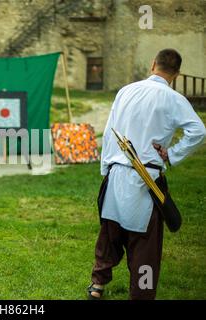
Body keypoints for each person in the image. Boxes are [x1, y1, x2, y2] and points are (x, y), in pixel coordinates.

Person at [88, 48, 206, 300]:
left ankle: (97, 285)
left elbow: (110, 132)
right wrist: (172, 154)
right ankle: (140, 295)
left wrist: (106, 169)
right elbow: (198, 131)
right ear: (176, 74)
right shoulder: (173, 98)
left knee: (110, 232)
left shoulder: (125, 90)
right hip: (146, 181)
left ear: (153, 64)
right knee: (144, 245)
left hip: (118, 172)